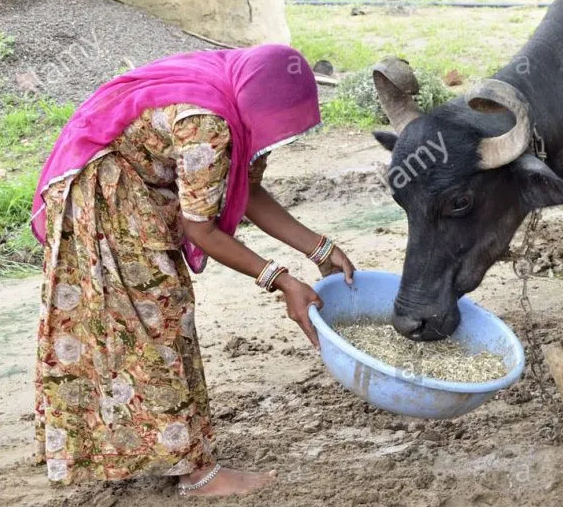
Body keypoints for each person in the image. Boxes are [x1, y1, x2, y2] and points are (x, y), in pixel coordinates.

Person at [30, 44, 355, 497]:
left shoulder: (236, 99)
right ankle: (198, 475)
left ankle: (166, 449)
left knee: (150, 323)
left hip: (134, 191)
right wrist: (282, 280)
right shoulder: (206, 122)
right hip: (109, 200)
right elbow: (201, 229)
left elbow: (249, 192)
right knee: (156, 322)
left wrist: (320, 248)